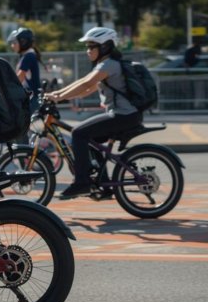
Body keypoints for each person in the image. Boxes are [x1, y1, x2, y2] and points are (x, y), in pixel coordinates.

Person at [45, 27, 143, 199]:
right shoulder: (104, 64)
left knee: (78, 133)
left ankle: (82, 182)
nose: (88, 51)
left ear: (105, 47)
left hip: (123, 115)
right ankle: (103, 185)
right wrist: (58, 95)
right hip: (122, 114)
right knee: (90, 140)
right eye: (87, 47)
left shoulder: (109, 64)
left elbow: (85, 84)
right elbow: (85, 85)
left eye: (92, 47)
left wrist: (58, 97)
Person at [7, 27, 42, 114]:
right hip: (30, 96)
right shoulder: (26, 55)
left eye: (14, 43)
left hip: (33, 97)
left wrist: (7, 89)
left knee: (20, 121)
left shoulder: (29, 56)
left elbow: (20, 77)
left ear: (23, 42)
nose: (12, 46)